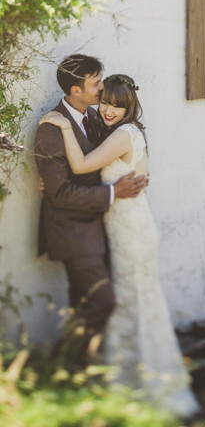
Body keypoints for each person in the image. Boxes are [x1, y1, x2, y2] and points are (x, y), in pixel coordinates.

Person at [39, 73, 200, 419]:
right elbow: (90, 171)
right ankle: (128, 380)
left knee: (130, 302)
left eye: (118, 105)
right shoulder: (115, 133)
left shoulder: (124, 134)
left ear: (130, 107)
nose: (109, 110)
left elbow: (82, 164)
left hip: (131, 232)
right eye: (105, 102)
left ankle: (139, 387)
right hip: (120, 228)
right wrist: (51, 183)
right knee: (129, 303)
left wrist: (63, 127)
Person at [35, 54, 146, 366]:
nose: (102, 89)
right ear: (75, 91)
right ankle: (61, 361)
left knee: (81, 300)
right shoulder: (51, 127)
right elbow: (59, 193)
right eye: (96, 83)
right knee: (102, 300)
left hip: (103, 227)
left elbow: (109, 160)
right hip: (72, 231)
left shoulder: (97, 118)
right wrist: (114, 191)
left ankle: (78, 366)